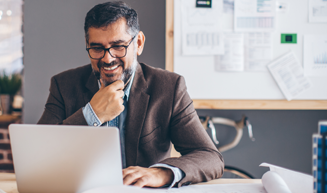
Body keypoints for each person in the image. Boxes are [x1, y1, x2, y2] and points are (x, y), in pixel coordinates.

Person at [38, 1, 224, 188]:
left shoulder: (169, 87)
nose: (107, 58)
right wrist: (92, 114)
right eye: (97, 48)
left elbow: (210, 157)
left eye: (118, 46)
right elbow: (38, 154)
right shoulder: (63, 85)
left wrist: (162, 173)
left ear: (139, 43)